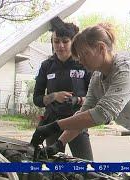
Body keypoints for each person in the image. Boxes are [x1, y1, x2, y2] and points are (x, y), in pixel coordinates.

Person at [30, 23, 130, 180]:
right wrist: (59, 143)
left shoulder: (126, 70)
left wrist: (53, 126)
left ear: (101, 48)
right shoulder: (97, 77)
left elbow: (103, 113)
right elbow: (85, 112)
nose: (79, 60)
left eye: (83, 54)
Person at [32, 17, 93, 160]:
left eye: (65, 41)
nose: (60, 46)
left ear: (73, 42)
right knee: (52, 167)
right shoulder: (46, 66)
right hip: (52, 124)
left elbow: (95, 99)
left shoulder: (83, 64)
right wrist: (54, 96)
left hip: (77, 122)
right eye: (56, 41)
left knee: (86, 165)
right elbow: (37, 99)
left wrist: (77, 100)